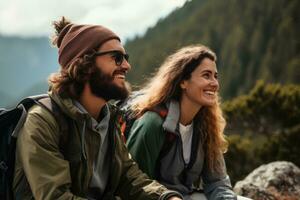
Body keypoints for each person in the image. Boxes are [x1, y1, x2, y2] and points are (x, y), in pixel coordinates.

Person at [12, 17, 183, 200]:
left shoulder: (108, 118)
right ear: (85, 63)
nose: (126, 65)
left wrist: (167, 197)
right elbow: (56, 196)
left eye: (126, 58)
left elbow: (128, 176)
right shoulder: (42, 122)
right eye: (117, 58)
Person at [126, 45, 241, 200]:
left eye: (215, 76)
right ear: (183, 82)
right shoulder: (152, 124)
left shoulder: (207, 125)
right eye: (206, 75)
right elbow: (134, 186)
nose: (214, 83)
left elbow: (217, 182)